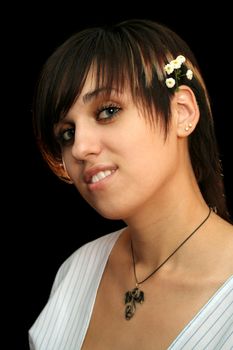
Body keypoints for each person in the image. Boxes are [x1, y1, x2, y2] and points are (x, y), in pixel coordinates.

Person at [29, 19, 233, 349]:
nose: (80, 148)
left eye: (108, 111)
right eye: (67, 133)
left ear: (182, 112)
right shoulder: (77, 270)